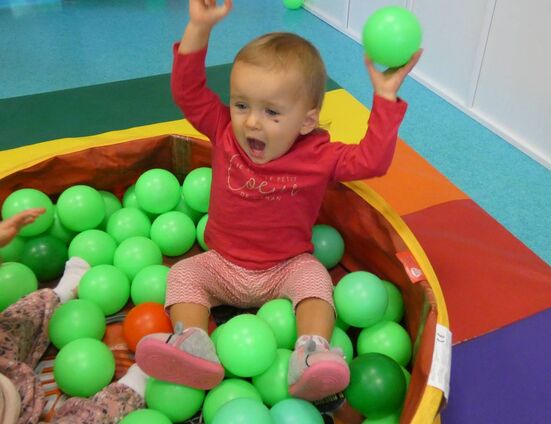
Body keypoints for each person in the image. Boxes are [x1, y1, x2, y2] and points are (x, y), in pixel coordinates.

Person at [135, 0, 421, 401]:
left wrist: (385, 97)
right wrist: (198, 28)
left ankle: (311, 353)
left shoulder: (318, 155)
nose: (251, 121)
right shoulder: (223, 131)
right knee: (182, 276)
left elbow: (372, 161)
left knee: (316, 280)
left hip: (284, 268)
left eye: (272, 112)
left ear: (306, 120)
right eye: (241, 105)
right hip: (222, 264)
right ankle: (193, 343)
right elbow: (187, 92)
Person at [0, 209, 148, 424]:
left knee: (14, 321)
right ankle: (135, 386)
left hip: (5, 369)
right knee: (88, 419)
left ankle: (60, 295)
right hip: (14, 413)